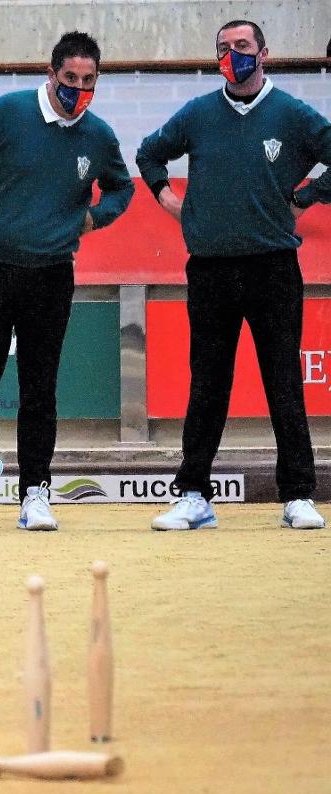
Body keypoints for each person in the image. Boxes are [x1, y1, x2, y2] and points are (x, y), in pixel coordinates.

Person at [138, 20, 331, 531]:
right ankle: (195, 496)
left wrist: (304, 197)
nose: (232, 54)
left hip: (273, 269)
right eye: (223, 48)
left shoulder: (291, 114)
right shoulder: (199, 114)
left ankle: (298, 496)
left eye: (241, 46)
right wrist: (169, 199)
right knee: (207, 385)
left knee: (284, 382)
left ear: (263, 52)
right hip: (210, 270)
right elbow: (148, 152)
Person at [0, 31, 134, 531]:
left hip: (51, 274)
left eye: (88, 81)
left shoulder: (98, 136)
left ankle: (36, 493)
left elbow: (121, 187)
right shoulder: (5, 113)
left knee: (39, 386)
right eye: (70, 78)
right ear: (51, 74)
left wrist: (94, 218)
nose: (78, 89)